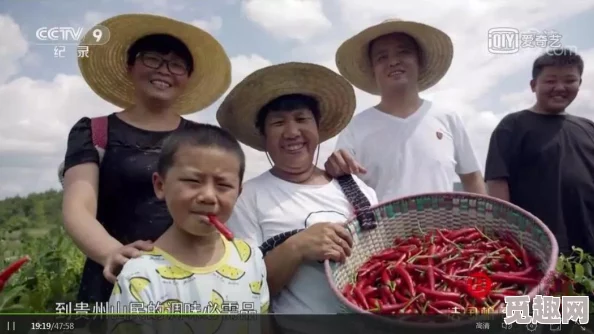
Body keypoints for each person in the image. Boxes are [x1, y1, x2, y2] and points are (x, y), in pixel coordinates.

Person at [60, 13, 232, 304]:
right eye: (152, 58)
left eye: (177, 64)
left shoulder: (203, 137)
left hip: (191, 277)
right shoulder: (94, 131)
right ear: (130, 66)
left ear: (188, 77)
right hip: (112, 277)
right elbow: (77, 207)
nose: (164, 70)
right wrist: (112, 253)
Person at [217, 62, 378, 319]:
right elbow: (243, 290)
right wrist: (296, 248)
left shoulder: (355, 187)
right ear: (264, 136)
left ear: (318, 128)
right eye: (278, 123)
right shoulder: (247, 198)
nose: (292, 132)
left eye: (302, 119)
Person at [108, 124, 270, 332]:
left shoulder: (250, 258)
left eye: (223, 185)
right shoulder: (140, 276)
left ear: (239, 192)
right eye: (193, 181)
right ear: (160, 186)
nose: (209, 196)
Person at [325, 19, 486, 202]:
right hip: (382, 229)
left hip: (444, 230)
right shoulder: (354, 128)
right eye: (381, 57)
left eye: (404, 52)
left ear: (419, 60)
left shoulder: (447, 118)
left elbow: (472, 178)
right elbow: (343, 185)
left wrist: (485, 225)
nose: (393, 61)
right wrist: (334, 168)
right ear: (372, 69)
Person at [485, 49, 593, 255]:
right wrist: (506, 240)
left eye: (570, 80)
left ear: (579, 83)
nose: (560, 88)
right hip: (535, 246)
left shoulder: (589, 128)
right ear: (533, 85)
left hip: (587, 245)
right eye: (550, 81)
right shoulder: (512, 126)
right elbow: (497, 183)